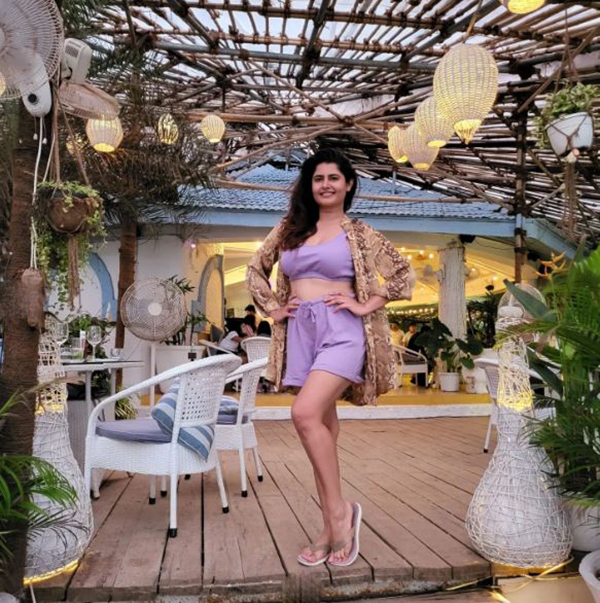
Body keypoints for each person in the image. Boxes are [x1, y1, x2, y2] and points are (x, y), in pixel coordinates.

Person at [246, 148, 414, 567]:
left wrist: (365, 303)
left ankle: (340, 514)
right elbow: (255, 269)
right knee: (321, 428)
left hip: (342, 331)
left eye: (333, 178)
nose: (325, 185)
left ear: (349, 184)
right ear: (310, 184)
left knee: (303, 414)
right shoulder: (289, 229)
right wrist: (274, 309)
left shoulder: (360, 232)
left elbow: (402, 273)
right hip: (302, 333)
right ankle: (328, 527)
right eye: (318, 178)